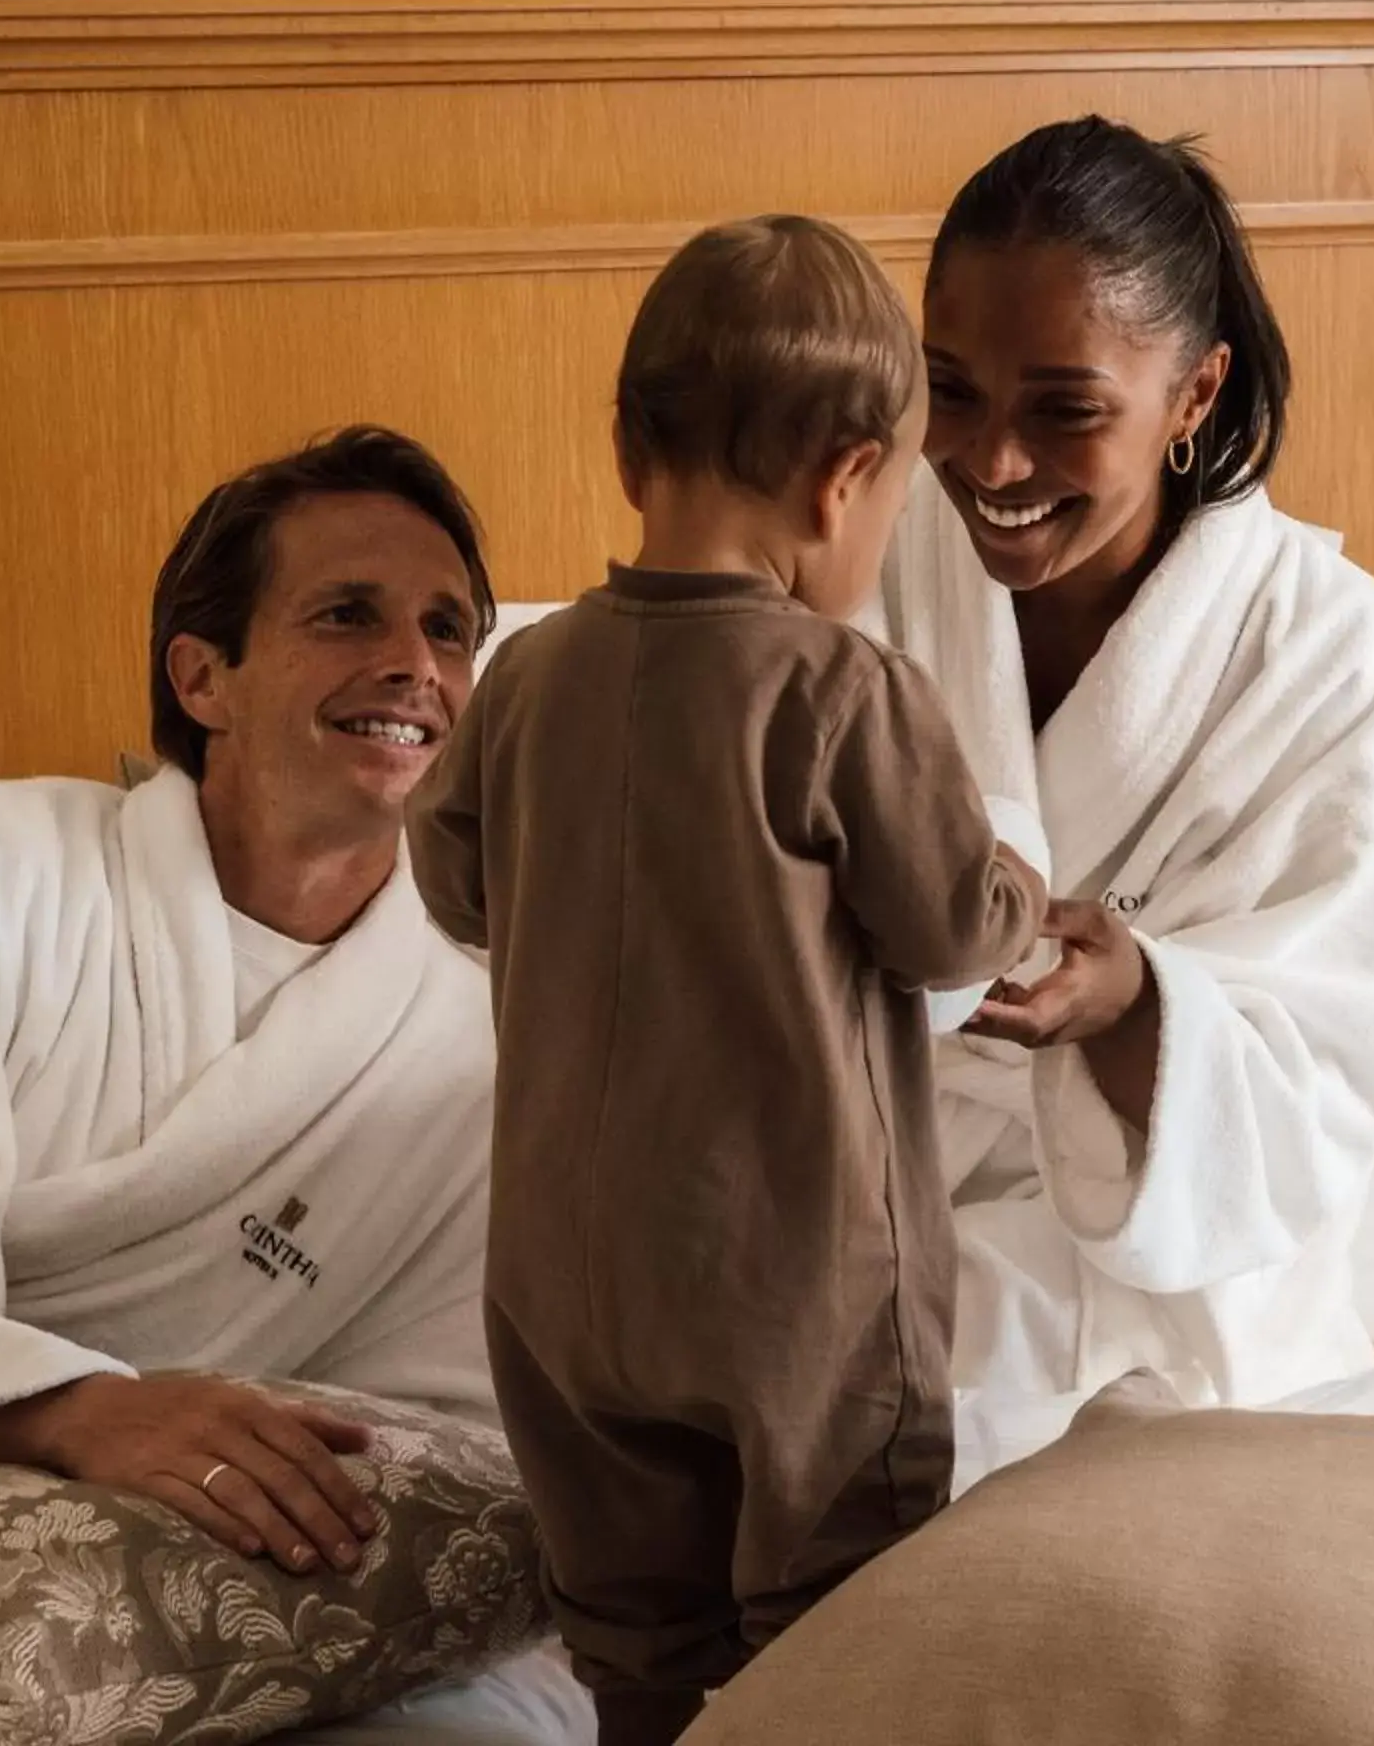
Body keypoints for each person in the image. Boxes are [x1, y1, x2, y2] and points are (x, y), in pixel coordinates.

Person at [0, 428, 590, 1739]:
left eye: (450, 630)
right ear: (203, 676)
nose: (416, 666)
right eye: (347, 615)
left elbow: (475, 1395)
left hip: (252, 1536)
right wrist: (86, 1412)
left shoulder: (487, 998)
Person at [408, 217, 1046, 1746]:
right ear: (846, 480)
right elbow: (955, 925)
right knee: (838, 1637)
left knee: (635, 1641)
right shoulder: (841, 691)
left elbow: (453, 883)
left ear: (630, 452)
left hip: (563, 1285)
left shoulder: (529, 672)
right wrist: (1021, 881)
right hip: (795, 1289)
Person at [872, 115, 1374, 1470]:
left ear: (1196, 393)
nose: (990, 463)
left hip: (1165, 1251)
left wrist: (1136, 1002)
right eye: (955, 393)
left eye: (1066, 410)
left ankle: (1336, 1383)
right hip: (864, 1200)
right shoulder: (852, 558)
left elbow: (1323, 1055)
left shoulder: (1332, 654)